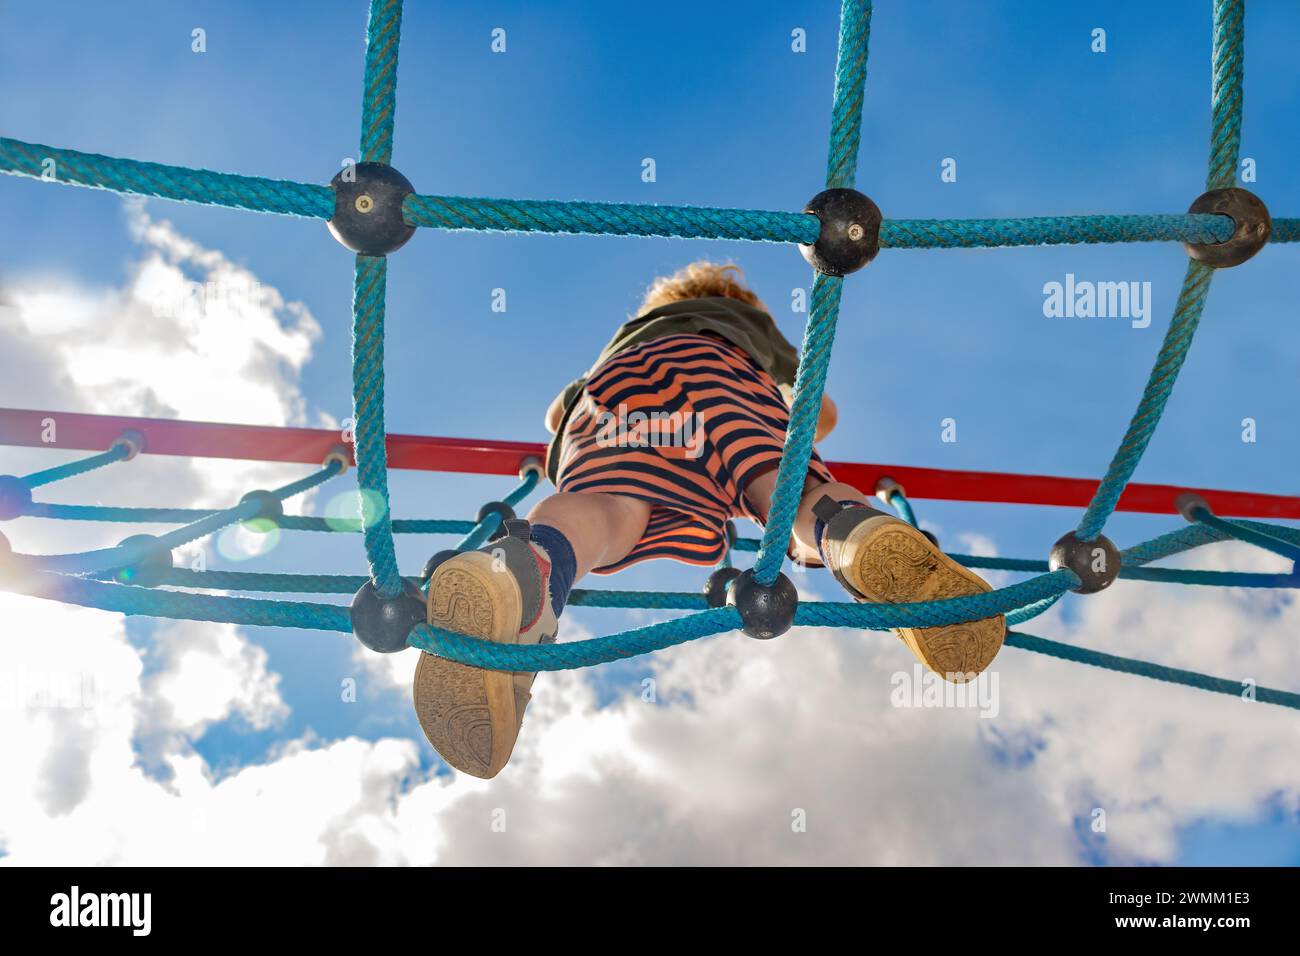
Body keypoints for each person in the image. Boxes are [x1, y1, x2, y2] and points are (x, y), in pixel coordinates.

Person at [414, 261, 1004, 777]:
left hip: (615, 389)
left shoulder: (627, 336)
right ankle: (852, 533)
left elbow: (552, 419)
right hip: (722, 373)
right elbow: (819, 411)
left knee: (609, 507)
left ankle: (526, 570)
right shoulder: (749, 329)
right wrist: (774, 386)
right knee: (783, 488)